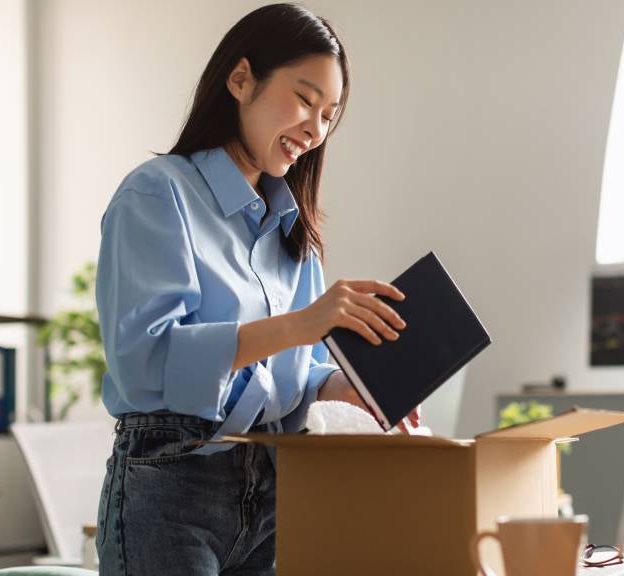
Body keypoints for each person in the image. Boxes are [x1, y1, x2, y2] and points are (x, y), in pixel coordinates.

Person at [93, 4, 418, 575]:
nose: (315, 129)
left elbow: (295, 373)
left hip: (270, 489)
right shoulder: (156, 193)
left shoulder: (296, 229)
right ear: (241, 79)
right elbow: (144, 362)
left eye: (329, 115)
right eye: (304, 99)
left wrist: (352, 388)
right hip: (171, 484)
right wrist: (302, 323)